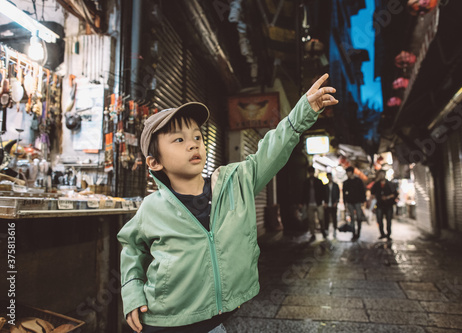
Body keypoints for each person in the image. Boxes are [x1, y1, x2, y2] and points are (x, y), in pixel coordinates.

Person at [117, 73, 338, 333]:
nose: (193, 144)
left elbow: (270, 151)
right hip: (165, 321)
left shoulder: (235, 183)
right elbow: (132, 250)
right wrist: (132, 292)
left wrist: (303, 112)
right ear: (155, 162)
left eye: (197, 137)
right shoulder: (151, 207)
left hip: (216, 323)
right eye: (179, 140)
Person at [370, 170, 398, 241]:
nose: (381, 175)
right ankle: (382, 234)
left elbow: (395, 194)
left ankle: (388, 234)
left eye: (382, 174)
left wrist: (387, 197)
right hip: (379, 205)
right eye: (380, 174)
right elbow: (372, 194)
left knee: (389, 220)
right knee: (379, 220)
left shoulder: (389, 184)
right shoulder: (376, 184)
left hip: (388, 205)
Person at [301, 166, 327, 242]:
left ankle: (323, 230)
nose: (311, 174)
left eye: (312, 172)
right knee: (310, 220)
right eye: (310, 172)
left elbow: (323, 192)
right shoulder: (306, 182)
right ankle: (312, 234)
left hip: (318, 203)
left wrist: (325, 201)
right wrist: (302, 202)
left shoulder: (319, 181)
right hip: (309, 204)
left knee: (321, 218)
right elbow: (303, 193)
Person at [342, 166, 366, 241]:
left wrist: (363, 201)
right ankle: (353, 233)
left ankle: (358, 232)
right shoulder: (346, 182)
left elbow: (362, 191)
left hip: (358, 202)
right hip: (350, 202)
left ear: (351, 172)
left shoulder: (358, 181)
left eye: (348, 172)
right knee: (352, 218)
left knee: (359, 218)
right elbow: (344, 194)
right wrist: (345, 203)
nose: (347, 174)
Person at [324, 173, 340, 238]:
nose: (329, 178)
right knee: (326, 217)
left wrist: (336, 202)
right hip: (327, 204)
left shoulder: (336, 185)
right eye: (328, 177)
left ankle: (335, 229)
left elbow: (338, 195)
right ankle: (326, 229)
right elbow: (324, 195)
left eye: (330, 177)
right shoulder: (325, 186)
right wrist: (324, 202)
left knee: (334, 217)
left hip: (333, 204)